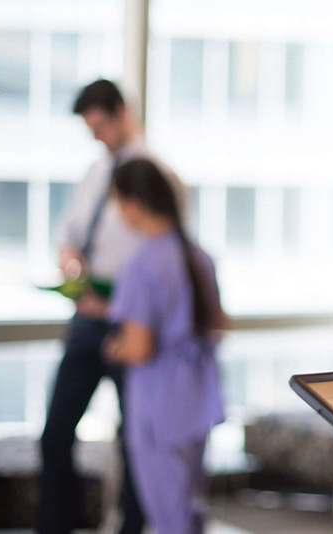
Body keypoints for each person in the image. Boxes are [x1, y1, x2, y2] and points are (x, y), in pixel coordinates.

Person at [39, 79, 183, 534]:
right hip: (86, 319)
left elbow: (164, 261)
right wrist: (69, 257)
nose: (98, 137)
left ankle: (131, 527)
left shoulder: (159, 177)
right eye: (90, 130)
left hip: (130, 323)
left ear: (123, 113)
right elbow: (71, 232)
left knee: (135, 441)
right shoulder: (94, 174)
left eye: (101, 126)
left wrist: (116, 303)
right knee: (56, 435)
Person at [103, 158, 225, 534]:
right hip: (196, 397)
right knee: (188, 507)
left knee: (167, 516)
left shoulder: (142, 264)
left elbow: (139, 347)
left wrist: (115, 347)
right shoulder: (198, 255)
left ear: (134, 204)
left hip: (160, 405)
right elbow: (217, 325)